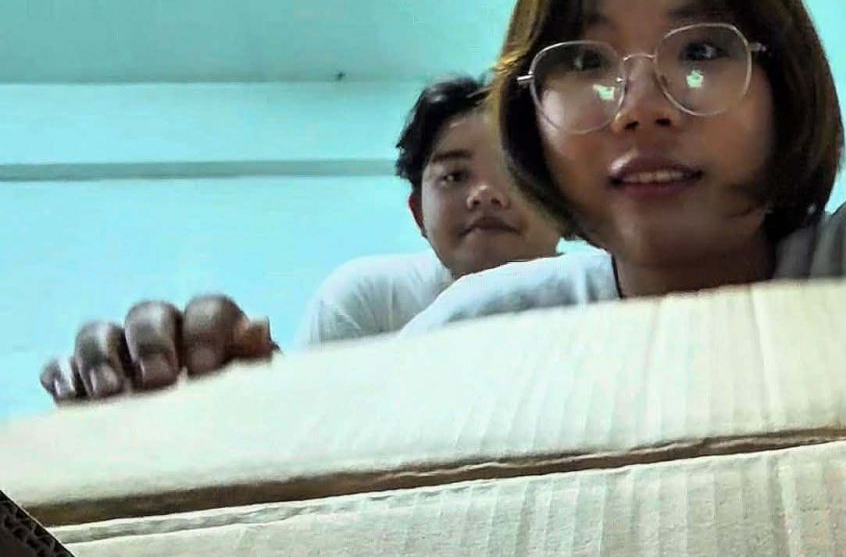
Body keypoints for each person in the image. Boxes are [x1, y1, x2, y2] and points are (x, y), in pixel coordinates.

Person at [402, 0, 846, 336]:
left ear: (783, 85)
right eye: (586, 61)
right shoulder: (475, 333)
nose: (641, 109)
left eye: (700, 51)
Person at [40, 75, 559, 402]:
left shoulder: (606, 298)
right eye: (454, 176)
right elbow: (314, 436)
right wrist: (222, 400)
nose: (484, 194)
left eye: (515, 172)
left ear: (565, 206)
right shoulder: (368, 296)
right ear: (418, 214)